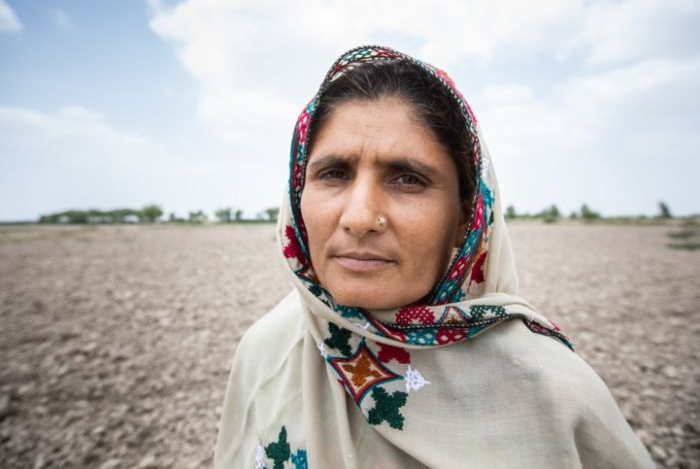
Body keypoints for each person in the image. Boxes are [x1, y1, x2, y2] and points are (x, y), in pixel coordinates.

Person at [214, 45, 654, 468]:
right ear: (298, 194)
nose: (361, 217)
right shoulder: (266, 350)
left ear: (466, 216)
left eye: (407, 179)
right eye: (334, 173)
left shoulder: (552, 396)